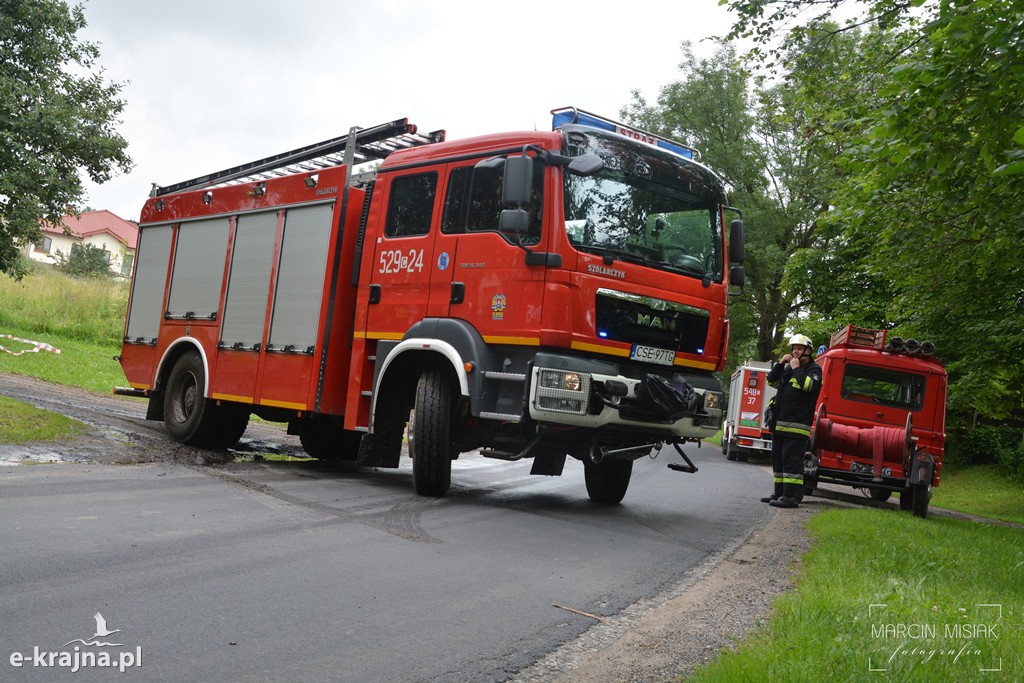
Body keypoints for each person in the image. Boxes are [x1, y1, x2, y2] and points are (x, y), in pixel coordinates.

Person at [761, 333, 822, 509]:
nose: (795, 351)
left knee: (791, 463)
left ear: (808, 351)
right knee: (778, 461)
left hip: (797, 427)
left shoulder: (814, 370)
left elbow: (809, 386)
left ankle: (792, 497)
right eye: (794, 348)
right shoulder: (788, 368)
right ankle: (779, 493)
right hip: (779, 424)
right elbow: (771, 380)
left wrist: (796, 369)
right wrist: (781, 364)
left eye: (799, 348)